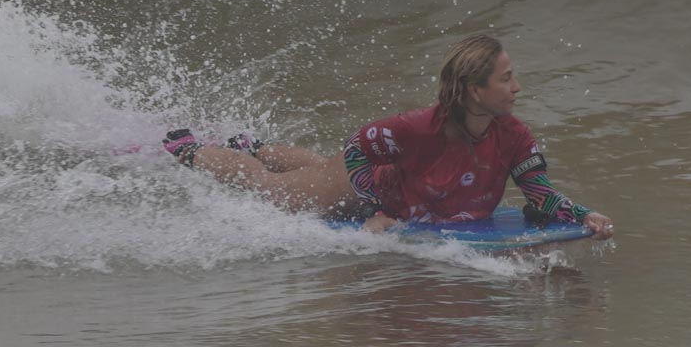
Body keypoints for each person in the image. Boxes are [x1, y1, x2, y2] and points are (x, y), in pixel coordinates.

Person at [162, 35, 614, 239]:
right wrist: (377, 210)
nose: (517, 87)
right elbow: (357, 148)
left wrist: (583, 215)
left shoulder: (513, 135)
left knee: (317, 167)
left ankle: (255, 145)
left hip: (397, 193)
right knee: (273, 190)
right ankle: (192, 150)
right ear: (475, 91)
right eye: (506, 78)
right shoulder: (418, 127)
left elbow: (540, 195)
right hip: (359, 193)